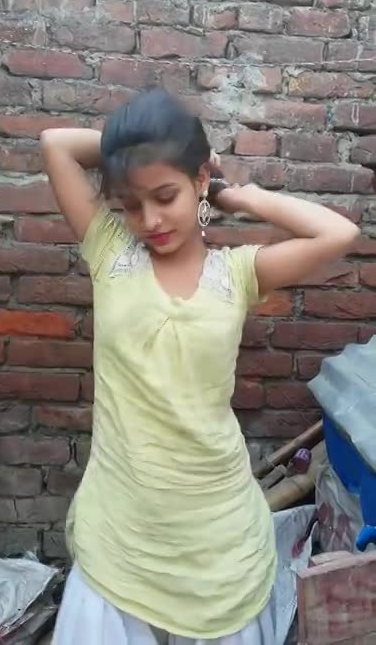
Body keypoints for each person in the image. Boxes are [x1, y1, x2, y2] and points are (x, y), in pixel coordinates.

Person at [41, 88, 359, 645]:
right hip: (122, 521)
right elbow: (55, 144)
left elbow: (339, 234)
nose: (149, 219)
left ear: (198, 180)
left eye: (165, 195)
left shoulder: (238, 274)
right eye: (130, 204)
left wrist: (237, 195)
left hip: (216, 522)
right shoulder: (109, 252)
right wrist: (143, 151)